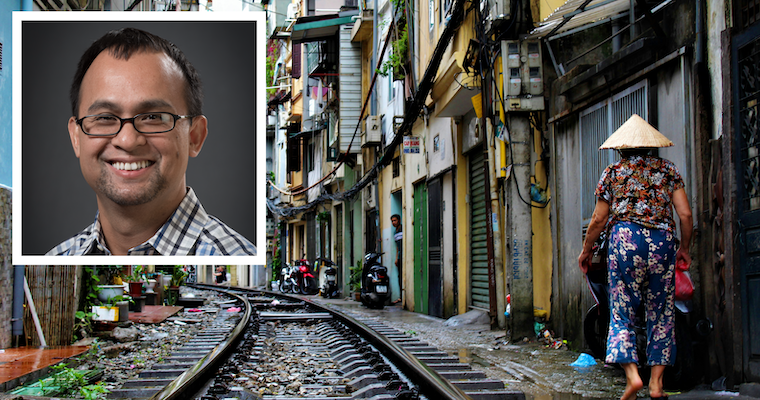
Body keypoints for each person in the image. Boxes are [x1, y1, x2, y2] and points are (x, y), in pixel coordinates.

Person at [46, 27, 256, 256]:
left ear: (194, 136)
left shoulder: (237, 255)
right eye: (105, 118)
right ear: (76, 137)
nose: (127, 140)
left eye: (153, 118)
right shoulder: (57, 257)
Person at [578, 114, 693, 400]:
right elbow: (686, 215)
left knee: (621, 310)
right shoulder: (668, 171)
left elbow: (598, 219)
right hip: (662, 243)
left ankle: (632, 376)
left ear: (622, 148)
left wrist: (587, 250)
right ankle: (656, 383)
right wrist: (685, 249)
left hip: (626, 242)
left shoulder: (614, 173)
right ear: (650, 147)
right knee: (662, 312)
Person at [391, 214, 402, 304]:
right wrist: (396, 258)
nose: (393, 223)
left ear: (399, 220)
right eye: (392, 221)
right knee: (399, 276)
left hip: (403, 255)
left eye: (395, 220)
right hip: (399, 256)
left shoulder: (403, 229)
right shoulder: (395, 232)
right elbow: (397, 247)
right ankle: (400, 297)